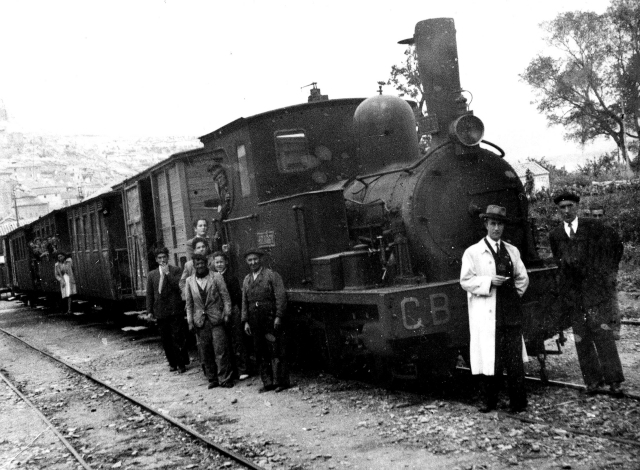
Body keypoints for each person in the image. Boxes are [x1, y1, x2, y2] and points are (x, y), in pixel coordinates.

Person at [550, 193, 625, 395]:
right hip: (574, 297)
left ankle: (614, 381)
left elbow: (616, 245)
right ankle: (592, 381)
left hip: (596, 294)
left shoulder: (593, 227)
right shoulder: (555, 235)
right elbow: (559, 263)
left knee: (603, 336)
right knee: (581, 339)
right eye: (562, 207)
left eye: (570, 206)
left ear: (577, 207)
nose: (566, 211)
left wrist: (608, 273)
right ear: (558, 210)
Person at [460, 205, 530, 413]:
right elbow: (465, 281)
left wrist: (512, 294)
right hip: (488, 313)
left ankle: (518, 403)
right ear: (486, 225)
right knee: (492, 360)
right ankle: (489, 401)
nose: (496, 228)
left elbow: (522, 277)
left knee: (515, 360)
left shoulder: (511, 250)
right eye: (493, 224)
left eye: (499, 224)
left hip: (509, 312)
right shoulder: (473, 252)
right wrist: (489, 282)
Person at [241, 248, 289, 393]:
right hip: (255, 321)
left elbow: (280, 297)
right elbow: (244, 301)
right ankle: (267, 383)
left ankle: (281, 382)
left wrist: (278, 316)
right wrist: (245, 321)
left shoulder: (271, 275)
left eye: (255, 259)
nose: (253, 262)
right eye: (250, 260)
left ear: (260, 260)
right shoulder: (247, 279)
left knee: (276, 350)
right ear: (246, 262)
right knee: (260, 351)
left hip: (270, 318)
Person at [185, 253, 234, 388]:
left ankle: (224, 378)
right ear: (194, 266)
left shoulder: (216, 277)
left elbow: (226, 297)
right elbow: (189, 304)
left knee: (220, 350)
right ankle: (212, 379)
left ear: (206, 264)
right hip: (200, 321)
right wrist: (190, 321)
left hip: (216, 319)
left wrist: (227, 314)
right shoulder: (189, 281)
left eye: (202, 263)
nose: (200, 266)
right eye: (197, 264)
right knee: (205, 351)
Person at [146, 246, 189, 373]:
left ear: (167, 257)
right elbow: (150, 294)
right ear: (156, 260)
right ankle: (172, 363)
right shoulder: (152, 275)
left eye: (164, 257)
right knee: (165, 339)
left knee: (178, 337)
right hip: (160, 311)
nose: (162, 260)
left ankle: (182, 364)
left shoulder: (176, 270)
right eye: (159, 258)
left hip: (175, 310)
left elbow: (178, 286)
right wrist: (149, 311)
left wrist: (168, 274)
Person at [212, 251, 249, 380]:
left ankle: (242, 369)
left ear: (226, 262)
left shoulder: (231, 277)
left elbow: (236, 297)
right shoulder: (213, 277)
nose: (219, 264)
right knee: (224, 342)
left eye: (221, 262)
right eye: (217, 262)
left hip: (233, 310)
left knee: (237, 340)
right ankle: (230, 370)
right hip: (219, 312)